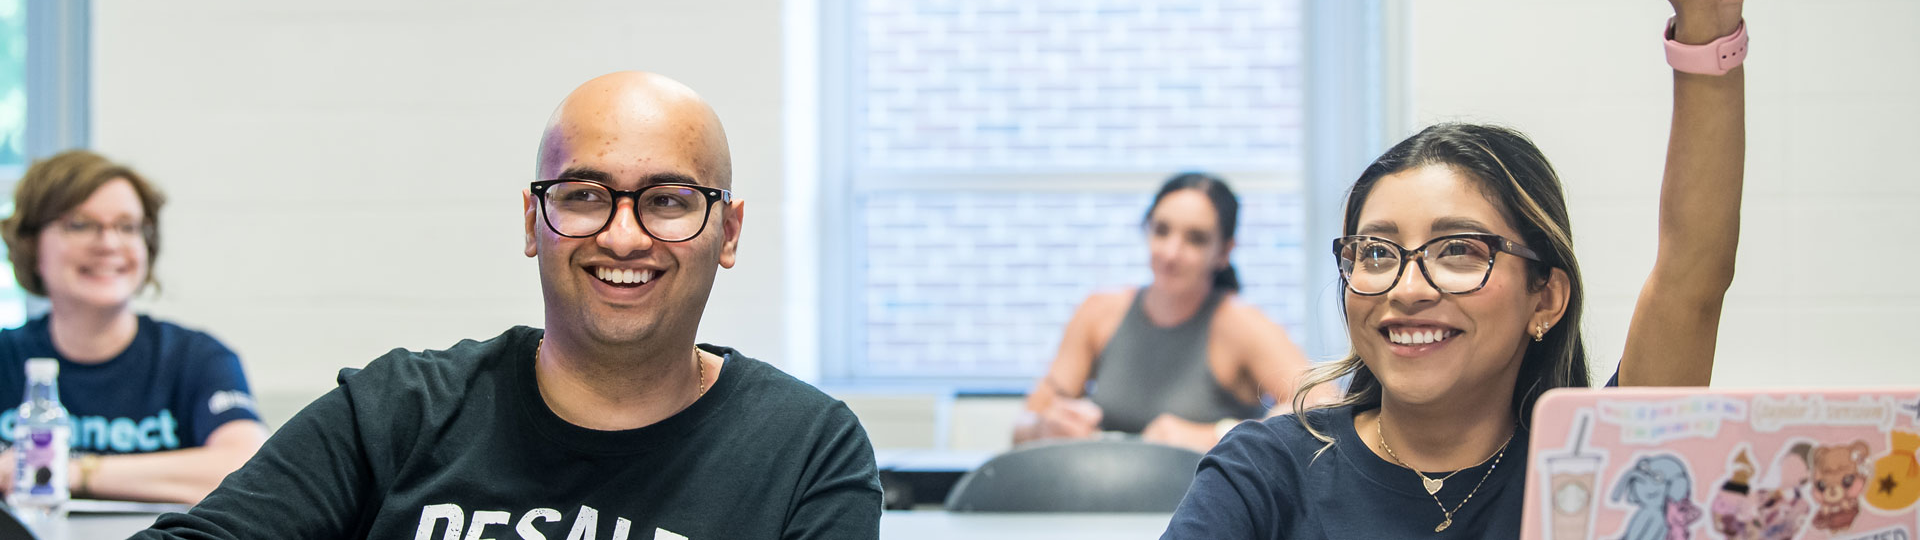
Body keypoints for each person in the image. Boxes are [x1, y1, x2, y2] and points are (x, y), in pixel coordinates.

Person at [137, 72, 882, 539]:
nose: (624, 237)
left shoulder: (807, 450)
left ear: (728, 231)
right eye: (585, 195)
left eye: (668, 200)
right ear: (533, 222)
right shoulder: (397, 411)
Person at [1161, 0, 1746, 536]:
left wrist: (1709, 31)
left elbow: (1691, 281)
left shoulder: (1596, 465)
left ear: (1544, 298)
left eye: (1459, 251)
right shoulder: (1268, 470)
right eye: (1376, 253)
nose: (1408, 289)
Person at [0, 150, 266, 504]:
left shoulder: (197, 358)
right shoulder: (6, 357)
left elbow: (247, 470)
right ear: (31, 245)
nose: (109, 244)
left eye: (127, 227)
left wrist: (67, 469)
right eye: (79, 224)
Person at [1013, 173, 1333, 453]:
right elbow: (1023, 426)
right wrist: (1043, 427)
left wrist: (1215, 435)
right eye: (1162, 231)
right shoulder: (1098, 313)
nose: (1170, 253)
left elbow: (1325, 407)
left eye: (1195, 239)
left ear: (1223, 252)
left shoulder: (1242, 326)